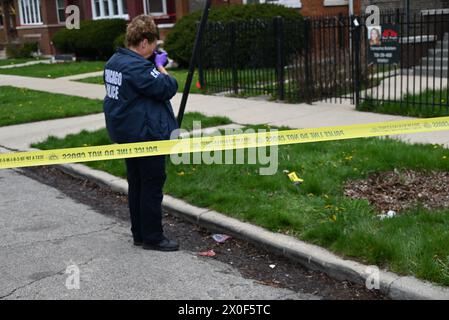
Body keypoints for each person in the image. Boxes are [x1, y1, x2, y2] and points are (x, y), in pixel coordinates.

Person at [103, 14, 179, 251]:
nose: (156, 48)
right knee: (152, 185)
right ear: (144, 43)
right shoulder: (139, 67)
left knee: (137, 184)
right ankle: (154, 237)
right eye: (154, 44)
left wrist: (152, 66)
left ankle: (140, 233)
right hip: (146, 135)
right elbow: (168, 87)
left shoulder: (114, 62)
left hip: (127, 133)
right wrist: (159, 67)